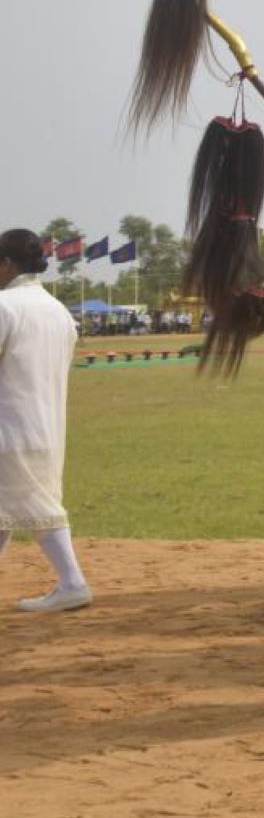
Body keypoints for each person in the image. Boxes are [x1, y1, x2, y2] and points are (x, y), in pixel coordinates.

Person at [0, 229, 93, 612]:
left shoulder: (6, 306)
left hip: (10, 425)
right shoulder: (58, 311)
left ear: (6, 264)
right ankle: (72, 582)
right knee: (17, 506)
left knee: (34, 508)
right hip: (48, 425)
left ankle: (73, 582)